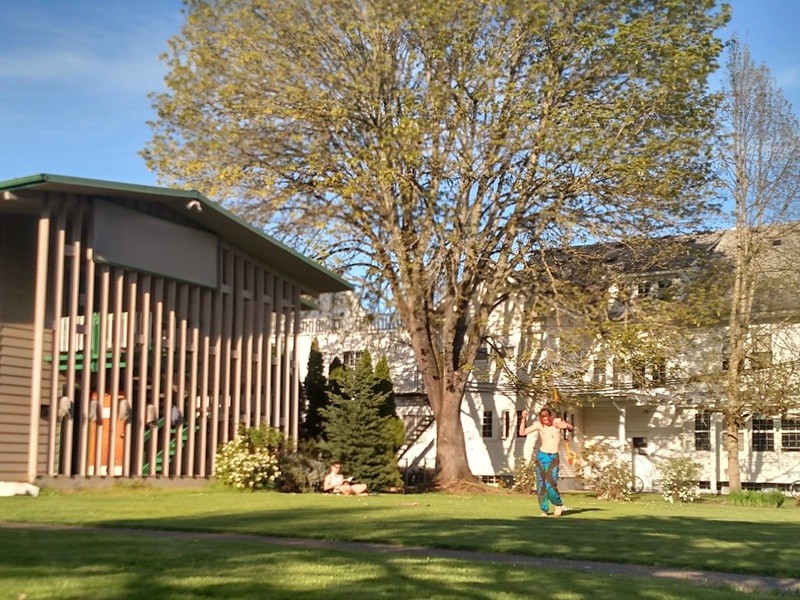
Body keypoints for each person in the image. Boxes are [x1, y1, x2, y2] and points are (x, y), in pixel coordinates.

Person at [518, 406, 576, 516]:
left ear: (551, 417)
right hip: (541, 456)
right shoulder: (539, 425)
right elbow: (522, 432)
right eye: (543, 420)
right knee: (541, 484)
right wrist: (523, 419)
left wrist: (566, 426)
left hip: (553, 457)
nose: (546, 422)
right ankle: (544, 510)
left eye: (547, 419)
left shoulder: (557, 422)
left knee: (550, 483)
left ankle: (558, 504)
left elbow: (571, 428)